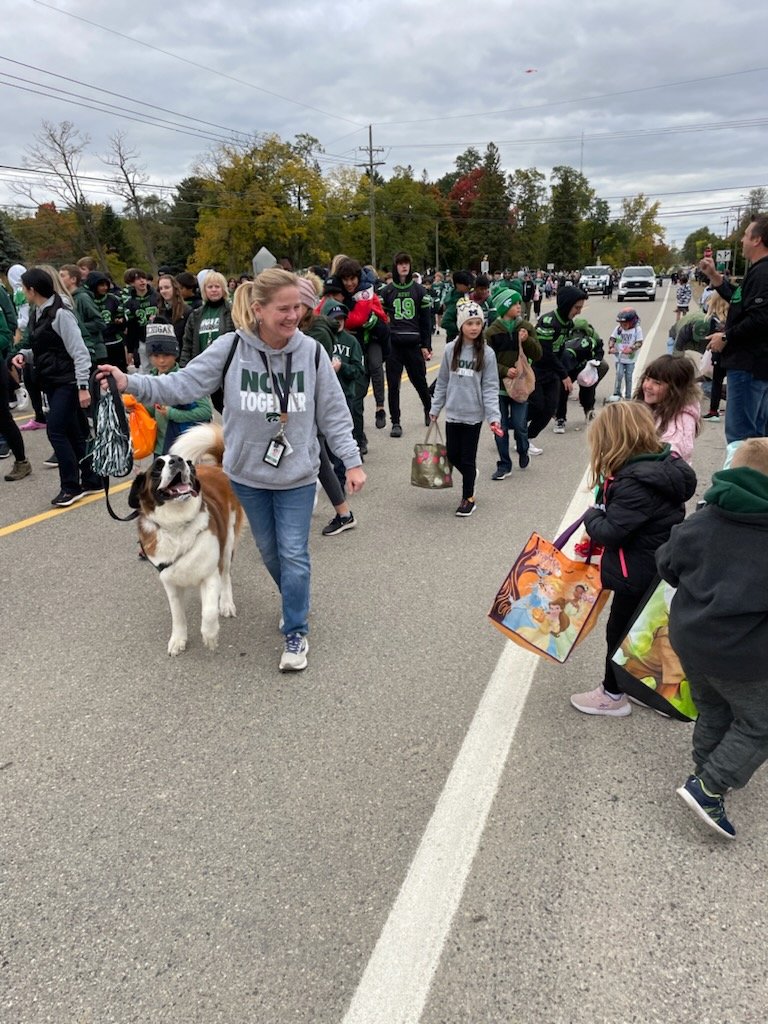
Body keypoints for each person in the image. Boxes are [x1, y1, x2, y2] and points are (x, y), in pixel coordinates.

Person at [97, 268, 365, 673]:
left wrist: (352, 461)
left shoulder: (310, 353)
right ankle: (295, 599)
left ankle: (296, 627)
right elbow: (184, 384)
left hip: (297, 475)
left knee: (294, 553)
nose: (293, 316)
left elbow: (334, 413)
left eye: (297, 307)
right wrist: (129, 382)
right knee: (271, 553)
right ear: (258, 309)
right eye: (283, 308)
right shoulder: (231, 348)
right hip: (247, 477)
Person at [656, 438, 768, 839]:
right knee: (760, 722)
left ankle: (705, 767)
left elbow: (666, 564)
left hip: (689, 638)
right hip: (740, 653)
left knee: (713, 708)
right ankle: (710, 786)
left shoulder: (702, 519)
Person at [569, 401, 696, 717]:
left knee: (620, 631)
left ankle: (612, 695)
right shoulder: (664, 467)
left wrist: (592, 514)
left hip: (635, 570)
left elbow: (612, 532)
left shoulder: (634, 482)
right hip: (657, 565)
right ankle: (644, 688)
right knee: (646, 630)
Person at [13, 268, 102, 506]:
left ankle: (70, 486)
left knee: (55, 431)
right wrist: (24, 354)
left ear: (32, 290)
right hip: (51, 381)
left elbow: (80, 352)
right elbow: (46, 348)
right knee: (73, 432)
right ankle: (92, 479)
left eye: (24, 288)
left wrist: (82, 386)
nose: (23, 292)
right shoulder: (38, 312)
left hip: (68, 382)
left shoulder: (61, 313)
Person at [295, 275, 358, 535]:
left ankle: (341, 512)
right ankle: (343, 513)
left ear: (308, 305)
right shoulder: (302, 327)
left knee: (319, 457)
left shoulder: (316, 331)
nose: (291, 311)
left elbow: (315, 371)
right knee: (319, 458)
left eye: (297, 305)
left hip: (313, 402)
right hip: (303, 402)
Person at [429, 301, 502, 517]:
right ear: (461, 325)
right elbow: (442, 381)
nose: (474, 327)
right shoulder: (450, 349)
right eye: (469, 323)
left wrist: (494, 417)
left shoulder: (487, 353)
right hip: (453, 412)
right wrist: (435, 408)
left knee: (468, 458)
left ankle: (468, 497)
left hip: (473, 415)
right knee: (452, 455)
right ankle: (471, 474)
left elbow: (490, 387)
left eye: (478, 323)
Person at [700, 216, 768, 443]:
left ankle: (743, 467)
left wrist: (726, 336)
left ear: (757, 239)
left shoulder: (763, 273)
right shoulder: (757, 271)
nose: (742, 240)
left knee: (741, 438)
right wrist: (714, 276)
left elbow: (761, 318)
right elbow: (740, 302)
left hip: (749, 366)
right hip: (753, 366)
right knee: (757, 439)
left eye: (746, 235)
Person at [484, 289, 541, 477]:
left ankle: (523, 449)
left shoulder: (525, 327)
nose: (519, 306)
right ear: (504, 306)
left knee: (519, 424)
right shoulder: (491, 332)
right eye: (514, 303)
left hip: (520, 386)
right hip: (499, 387)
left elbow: (537, 354)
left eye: (519, 303)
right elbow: (486, 361)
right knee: (499, 427)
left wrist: (527, 340)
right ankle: (504, 464)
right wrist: (504, 370)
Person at [380, 251, 433, 438]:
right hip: (394, 344)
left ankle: (428, 408)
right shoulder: (386, 291)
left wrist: (426, 345)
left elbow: (426, 321)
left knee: (419, 381)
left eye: (406, 263)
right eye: (400, 263)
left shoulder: (419, 291)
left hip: (413, 343)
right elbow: (381, 319)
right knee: (393, 385)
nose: (404, 267)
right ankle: (396, 421)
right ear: (395, 266)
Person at [141, 322, 212, 454]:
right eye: (156, 356)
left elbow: (206, 411)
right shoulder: (151, 379)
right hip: (159, 447)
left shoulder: (186, 379)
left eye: (166, 355)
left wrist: (172, 413)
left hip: (183, 447)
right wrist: (137, 407)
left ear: (175, 354)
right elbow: (151, 412)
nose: (161, 361)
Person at [530, 284, 582, 444]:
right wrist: (564, 375)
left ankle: (526, 439)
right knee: (537, 407)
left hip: (553, 372)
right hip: (537, 370)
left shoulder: (569, 324)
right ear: (566, 305)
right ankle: (507, 426)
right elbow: (545, 353)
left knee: (550, 409)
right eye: (576, 307)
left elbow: (560, 350)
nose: (579, 311)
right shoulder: (548, 322)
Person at [634, 354, 701, 463]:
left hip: (661, 470)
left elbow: (675, 453)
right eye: (647, 379)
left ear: (675, 388)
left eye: (657, 383)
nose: (648, 386)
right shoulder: (656, 406)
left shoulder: (682, 420)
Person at [123, 269, 159, 373]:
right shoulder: (130, 303)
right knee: (147, 369)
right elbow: (131, 327)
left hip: (159, 336)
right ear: (131, 283)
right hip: (143, 340)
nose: (142, 281)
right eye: (138, 279)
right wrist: (130, 350)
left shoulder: (157, 297)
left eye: (143, 278)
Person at [701, 293, 729, 422]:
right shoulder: (734, 317)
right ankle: (733, 409)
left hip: (718, 354)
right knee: (733, 384)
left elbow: (710, 338)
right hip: (734, 355)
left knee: (716, 383)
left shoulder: (714, 320)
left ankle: (713, 411)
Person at [608, 308, 643, 400]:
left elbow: (639, 342)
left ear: (632, 322)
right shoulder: (618, 329)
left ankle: (628, 396)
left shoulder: (637, 330)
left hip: (630, 359)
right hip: (619, 357)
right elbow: (612, 338)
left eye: (625, 324)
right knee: (619, 375)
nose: (623, 326)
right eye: (621, 324)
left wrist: (631, 348)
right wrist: (611, 347)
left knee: (628, 377)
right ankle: (617, 393)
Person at [154, 273, 192, 349]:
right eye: (161, 288)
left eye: (167, 287)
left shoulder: (187, 310)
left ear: (175, 288)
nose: (163, 291)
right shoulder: (159, 311)